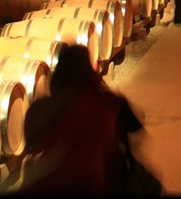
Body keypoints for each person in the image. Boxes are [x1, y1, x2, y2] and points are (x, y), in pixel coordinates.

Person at [20, 44, 146, 194]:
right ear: (88, 70)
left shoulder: (44, 108)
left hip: (55, 184)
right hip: (104, 183)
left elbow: (31, 147)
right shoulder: (110, 102)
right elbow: (136, 127)